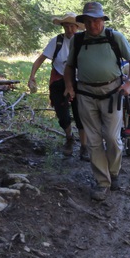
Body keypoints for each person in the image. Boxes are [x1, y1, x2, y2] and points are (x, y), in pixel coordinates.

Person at [64, 2, 130, 201]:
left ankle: (114, 172)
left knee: (113, 138)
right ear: (84, 23)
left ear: (102, 20)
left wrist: (129, 83)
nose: (93, 25)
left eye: (96, 20)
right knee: (94, 140)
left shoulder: (115, 37)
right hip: (86, 95)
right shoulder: (78, 40)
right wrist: (69, 86)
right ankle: (102, 182)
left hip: (112, 94)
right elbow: (70, 66)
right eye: (88, 21)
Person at [28, 12, 88, 160]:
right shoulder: (57, 41)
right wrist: (32, 76)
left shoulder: (83, 41)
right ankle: (69, 137)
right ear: (63, 27)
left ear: (77, 27)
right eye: (66, 26)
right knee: (62, 114)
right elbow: (40, 59)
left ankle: (84, 147)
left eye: (72, 26)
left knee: (81, 115)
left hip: (78, 81)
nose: (69, 29)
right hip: (59, 81)